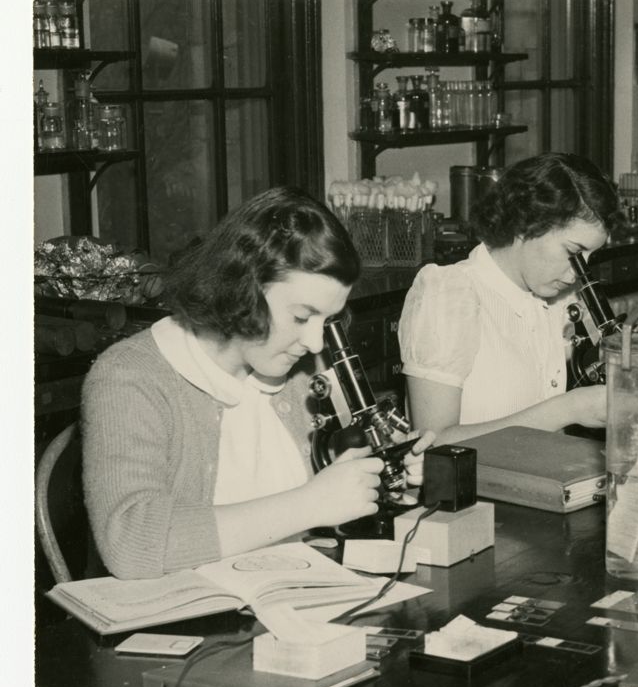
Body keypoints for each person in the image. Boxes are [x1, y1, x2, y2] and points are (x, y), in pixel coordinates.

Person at [82, 186, 433, 580]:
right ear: (242, 288)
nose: (316, 342)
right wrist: (311, 504)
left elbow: (340, 509)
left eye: (328, 321)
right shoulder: (131, 376)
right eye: (302, 317)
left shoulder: (301, 365)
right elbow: (130, 545)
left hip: (290, 597)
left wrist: (389, 483)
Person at [397, 152, 625, 444]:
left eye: (590, 257)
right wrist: (570, 409)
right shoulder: (449, 294)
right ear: (525, 225)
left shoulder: (555, 296)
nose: (579, 272)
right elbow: (434, 444)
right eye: (573, 253)